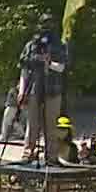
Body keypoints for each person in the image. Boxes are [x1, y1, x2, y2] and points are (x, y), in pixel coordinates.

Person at [17, 11, 68, 161]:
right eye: (44, 24)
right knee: (32, 124)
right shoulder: (31, 45)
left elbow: (62, 67)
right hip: (33, 89)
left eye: (49, 24)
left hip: (53, 90)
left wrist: (49, 63)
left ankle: (51, 157)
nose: (46, 27)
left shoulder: (60, 45)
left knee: (51, 125)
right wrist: (21, 90)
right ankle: (28, 153)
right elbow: (24, 69)